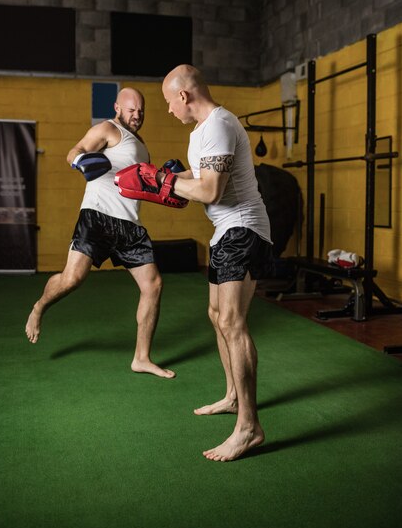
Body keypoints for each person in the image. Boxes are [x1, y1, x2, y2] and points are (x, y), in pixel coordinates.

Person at [161, 65, 273, 460]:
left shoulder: (220, 125)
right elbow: (203, 172)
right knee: (215, 314)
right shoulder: (201, 132)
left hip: (243, 229)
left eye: (169, 103)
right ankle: (232, 397)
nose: (169, 111)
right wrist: (167, 177)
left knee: (232, 321)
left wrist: (168, 184)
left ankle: (248, 427)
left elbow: (210, 189)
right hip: (226, 231)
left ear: (184, 96)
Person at [25, 87, 175, 379]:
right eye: (131, 110)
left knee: (153, 285)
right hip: (97, 216)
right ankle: (39, 306)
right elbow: (75, 151)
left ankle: (141, 358)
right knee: (72, 279)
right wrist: (81, 161)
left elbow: (140, 186)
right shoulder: (108, 128)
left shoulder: (142, 146)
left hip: (130, 224)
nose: (137, 116)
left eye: (141, 111)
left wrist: (164, 182)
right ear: (118, 107)